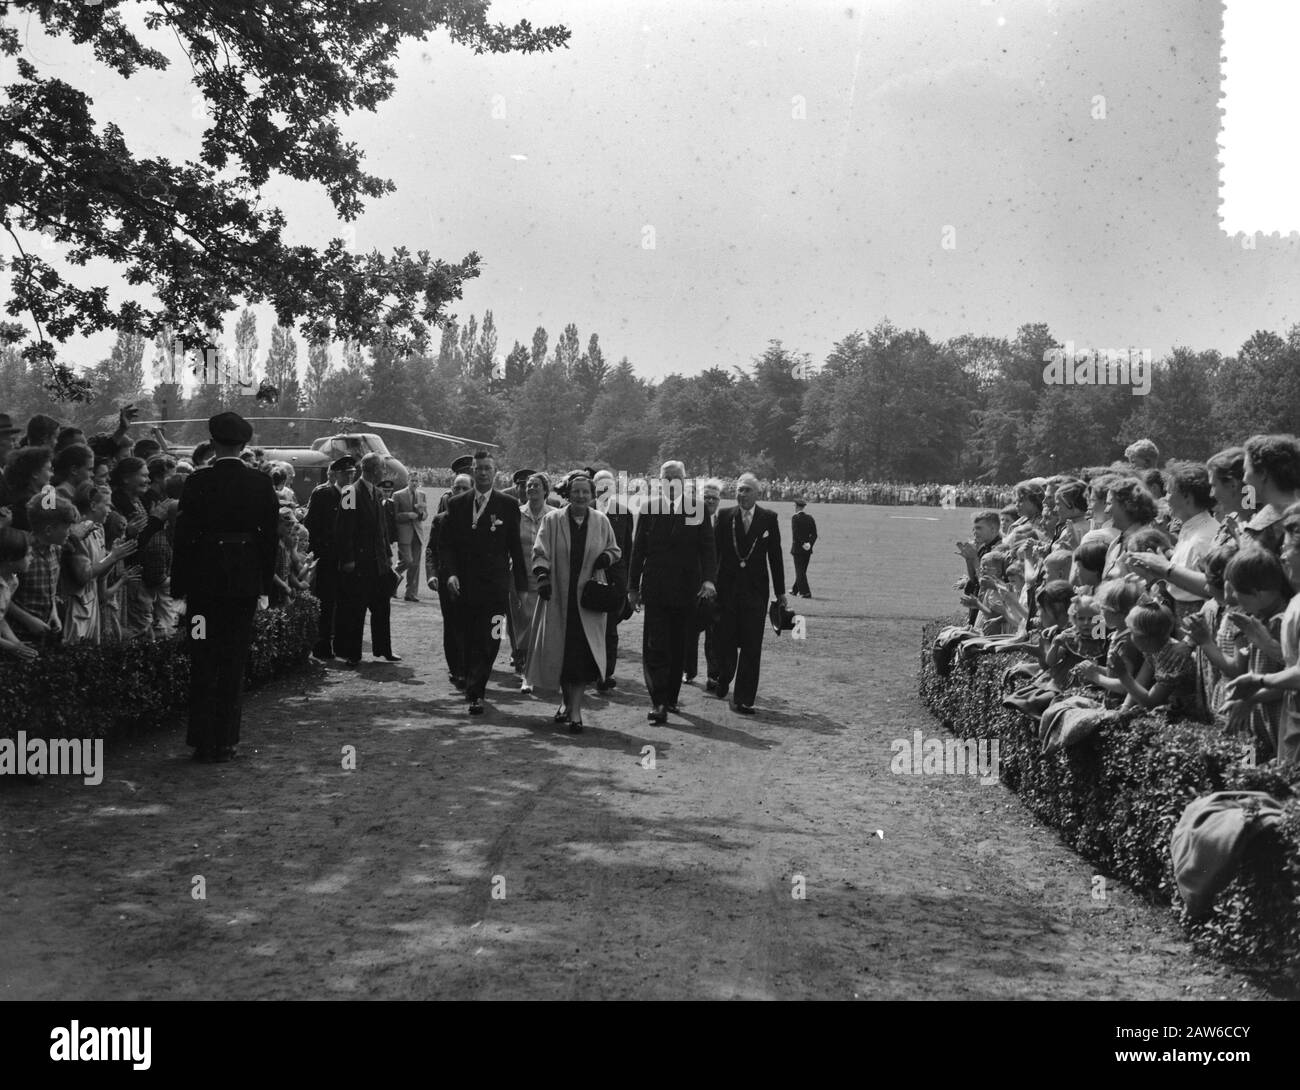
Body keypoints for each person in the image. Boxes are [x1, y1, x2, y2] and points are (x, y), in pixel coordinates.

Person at [170, 412, 280, 762]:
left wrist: (180, 584)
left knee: (203, 656)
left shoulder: (198, 482)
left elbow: (184, 537)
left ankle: (202, 740)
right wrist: (265, 584)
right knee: (233, 660)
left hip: (205, 585)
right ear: (245, 444)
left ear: (213, 443)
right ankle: (226, 740)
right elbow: (270, 539)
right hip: (243, 586)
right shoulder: (261, 484)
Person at [526, 473, 620, 733]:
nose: (580, 496)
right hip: (558, 599)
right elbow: (540, 551)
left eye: (585, 492)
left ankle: (576, 711)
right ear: (567, 494)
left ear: (592, 496)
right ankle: (566, 703)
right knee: (561, 658)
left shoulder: (601, 522)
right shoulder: (552, 520)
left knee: (580, 660)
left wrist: (605, 559)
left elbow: (615, 549)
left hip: (587, 603)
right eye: (575, 491)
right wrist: (543, 576)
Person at [628, 460, 717, 724]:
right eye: (666, 478)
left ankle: (671, 698)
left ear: (684, 481)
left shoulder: (698, 510)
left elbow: (708, 549)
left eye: (676, 477)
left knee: (679, 644)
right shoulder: (649, 509)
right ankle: (658, 702)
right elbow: (637, 551)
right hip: (655, 589)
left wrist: (709, 581)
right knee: (655, 645)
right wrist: (633, 587)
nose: (670, 482)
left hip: (687, 589)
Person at [443, 450, 528, 714]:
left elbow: (516, 548)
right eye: (478, 468)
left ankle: (477, 687)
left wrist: (521, 587)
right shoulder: (457, 505)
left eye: (487, 469)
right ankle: (474, 686)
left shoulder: (508, 505)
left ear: (495, 473)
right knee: (468, 638)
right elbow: (447, 546)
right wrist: (451, 573)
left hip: (495, 588)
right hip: (465, 587)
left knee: (491, 638)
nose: (482, 473)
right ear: (472, 471)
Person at [713, 472, 788, 714]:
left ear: (758, 494)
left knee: (751, 646)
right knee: (725, 640)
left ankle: (743, 698)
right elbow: (713, 554)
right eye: (739, 490)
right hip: (727, 590)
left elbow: (775, 557)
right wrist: (708, 583)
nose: (742, 494)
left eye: (747, 490)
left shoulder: (768, 518)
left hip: (755, 593)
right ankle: (723, 677)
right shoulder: (724, 516)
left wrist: (780, 591)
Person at [334, 452, 400, 664]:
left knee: (382, 607)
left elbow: (382, 529)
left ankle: (384, 649)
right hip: (359, 563)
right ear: (373, 469)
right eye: (382, 468)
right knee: (356, 609)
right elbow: (343, 529)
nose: (384, 472)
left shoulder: (378, 493)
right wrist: (348, 559)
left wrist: (388, 555)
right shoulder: (349, 493)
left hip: (378, 562)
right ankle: (352, 653)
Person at [304, 456, 354, 659]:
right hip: (326, 557)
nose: (350, 477)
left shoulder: (349, 494)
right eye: (346, 474)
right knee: (326, 601)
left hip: (344, 558)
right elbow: (311, 525)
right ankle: (322, 645)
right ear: (336, 474)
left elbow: (350, 525)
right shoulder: (323, 493)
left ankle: (340, 644)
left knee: (343, 602)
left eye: (352, 473)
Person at [427, 473, 472, 688]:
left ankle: (470, 667)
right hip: (448, 582)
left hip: (473, 581)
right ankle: (457, 669)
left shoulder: (479, 518)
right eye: (457, 488)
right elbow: (431, 550)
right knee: (452, 625)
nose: (460, 493)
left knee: (471, 625)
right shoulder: (441, 519)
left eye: (465, 488)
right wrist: (432, 574)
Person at [593, 468, 635, 691]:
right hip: (588, 577)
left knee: (610, 629)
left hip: (613, 580)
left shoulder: (623, 513)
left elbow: (627, 550)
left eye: (609, 486)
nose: (604, 490)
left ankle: (605, 673)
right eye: (600, 486)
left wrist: (627, 583)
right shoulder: (583, 509)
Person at [510, 472, 551, 691]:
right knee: (522, 623)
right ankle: (526, 671)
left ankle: (541, 671)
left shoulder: (554, 516)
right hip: (519, 577)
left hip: (545, 579)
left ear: (546, 490)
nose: (532, 489)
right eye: (529, 486)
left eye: (537, 486)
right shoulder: (516, 515)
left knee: (543, 625)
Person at [686, 478, 722, 690]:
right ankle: (688, 670)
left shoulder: (725, 520)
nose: (710, 501)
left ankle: (713, 675)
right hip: (692, 583)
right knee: (690, 632)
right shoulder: (691, 520)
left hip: (717, 586)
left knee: (714, 633)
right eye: (706, 497)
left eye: (714, 498)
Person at [393, 472, 428, 602]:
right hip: (404, 533)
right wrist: (408, 515)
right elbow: (394, 516)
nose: (414, 483)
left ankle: (411, 593)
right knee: (407, 561)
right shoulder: (398, 495)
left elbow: (425, 514)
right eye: (412, 480)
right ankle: (392, 579)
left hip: (417, 533)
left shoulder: (422, 495)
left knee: (415, 565)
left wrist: (423, 515)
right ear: (408, 480)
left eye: (416, 481)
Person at [790, 495, 817, 598]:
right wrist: (809, 544)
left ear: (797, 507)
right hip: (807, 549)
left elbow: (795, 534)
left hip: (798, 549)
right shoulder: (810, 518)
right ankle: (794, 590)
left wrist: (802, 544)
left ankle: (805, 592)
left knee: (800, 571)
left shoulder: (795, 518)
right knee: (802, 571)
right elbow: (814, 534)